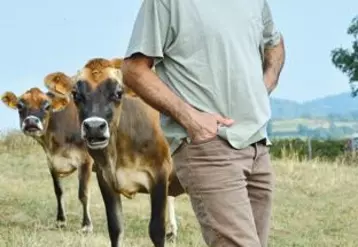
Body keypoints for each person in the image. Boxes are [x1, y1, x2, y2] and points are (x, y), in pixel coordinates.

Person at [122, 0, 285, 246]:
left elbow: (274, 43)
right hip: (210, 146)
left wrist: (265, 86)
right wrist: (191, 119)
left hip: (257, 146)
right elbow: (134, 70)